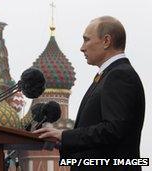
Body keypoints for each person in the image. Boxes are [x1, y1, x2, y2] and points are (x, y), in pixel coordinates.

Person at [33, 16, 145, 171]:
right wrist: (64, 141)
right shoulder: (108, 75)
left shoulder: (119, 76)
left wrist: (65, 136)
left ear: (106, 41)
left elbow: (113, 130)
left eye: (86, 40)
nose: (82, 48)